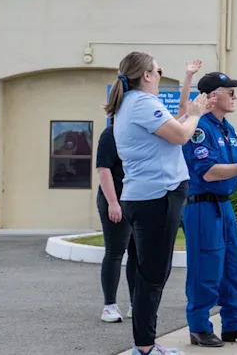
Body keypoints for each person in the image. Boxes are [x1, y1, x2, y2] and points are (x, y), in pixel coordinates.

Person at [105, 51, 209, 355]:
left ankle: (146, 343)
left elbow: (174, 121)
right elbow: (180, 135)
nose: (160, 73)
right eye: (158, 70)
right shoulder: (142, 103)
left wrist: (189, 96)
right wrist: (198, 114)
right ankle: (146, 346)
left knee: (144, 272)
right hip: (157, 197)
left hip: (141, 197)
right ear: (147, 75)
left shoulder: (128, 104)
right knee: (153, 275)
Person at [181, 72, 237, 347]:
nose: (234, 96)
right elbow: (208, 172)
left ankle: (233, 324)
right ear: (211, 96)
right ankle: (199, 327)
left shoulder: (225, 128)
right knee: (205, 268)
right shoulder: (199, 128)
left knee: (233, 267)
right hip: (202, 208)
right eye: (228, 91)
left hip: (223, 207)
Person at [96, 122, 136, 324]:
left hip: (135, 199)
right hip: (115, 199)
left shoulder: (139, 131)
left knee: (137, 254)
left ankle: (135, 303)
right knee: (114, 251)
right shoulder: (110, 133)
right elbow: (104, 169)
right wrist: (113, 202)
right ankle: (109, 306)